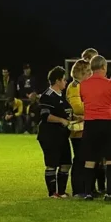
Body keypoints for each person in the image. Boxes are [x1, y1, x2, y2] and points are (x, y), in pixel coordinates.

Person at [79, 56, 111, 201]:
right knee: (110, 158)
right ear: (104, 67)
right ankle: (109, 193)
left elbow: (84, 100)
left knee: (90, 159)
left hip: (90, 123)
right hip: (108, 123)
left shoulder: (83, 85)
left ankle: (88, 192)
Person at [37, 67, 73, 198]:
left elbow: (67, 114)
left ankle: (61, 192)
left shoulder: (61, 97)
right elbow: (45, 116)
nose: (66, 82)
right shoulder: (47, 96)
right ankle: (52, 193)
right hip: (50, 135)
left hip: (62, 136)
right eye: (64, 79)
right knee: (52, 164)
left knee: (66, 163)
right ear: (57, 81)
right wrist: (61, 120)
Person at [66, 60, 90, 197]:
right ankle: (78, 190)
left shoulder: (81, 86)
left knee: (85, 158)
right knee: (80, 158)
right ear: (81, 73)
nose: (90, 74)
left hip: (84, 127)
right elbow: (77, 107)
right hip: (77, 128)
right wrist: (93, 107)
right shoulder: (75, 86)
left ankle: (85, 189)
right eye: (87, 72)